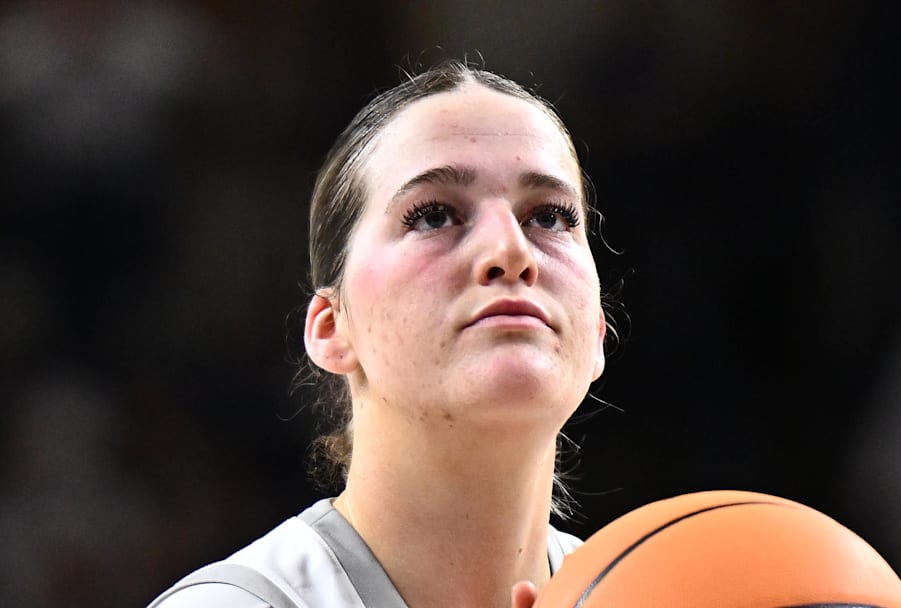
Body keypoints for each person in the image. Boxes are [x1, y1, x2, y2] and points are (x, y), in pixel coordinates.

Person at [148, 60, 609, 608]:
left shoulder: (661, 588)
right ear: (331, 327)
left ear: (599, 328)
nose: (510, 251)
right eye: (434, 215)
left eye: (549, 217)